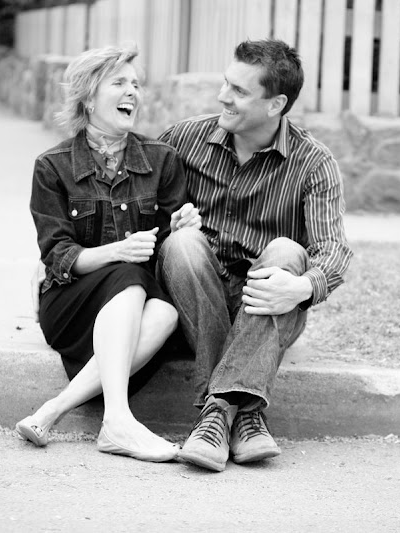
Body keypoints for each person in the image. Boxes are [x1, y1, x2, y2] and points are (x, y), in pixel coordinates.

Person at [158, 39, 353, 472]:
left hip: (268, 305)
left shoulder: (313, 162)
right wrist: (167, 224)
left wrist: (302, 287)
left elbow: (334, 249)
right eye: (226, 83)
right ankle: (244, 413)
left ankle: (215, 415)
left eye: (239, 91)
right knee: (183, 243)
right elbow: (140, 210)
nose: (222, 96)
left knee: (286, 250)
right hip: (197, 298)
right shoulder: (183, 139)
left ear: (275, 104)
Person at [16, 44, 200, 463]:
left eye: (136, 84)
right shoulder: (52, 166)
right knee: (128, 275)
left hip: (130, 314)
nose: (132, 92)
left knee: (165, 313)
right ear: (88, 97)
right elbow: (59, 256)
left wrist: (182, 228)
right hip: (72, 304)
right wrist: (117, 251)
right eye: (119, 82)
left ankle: (54, 410)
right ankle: (118, 419)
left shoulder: (162, 160)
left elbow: (166, 249)